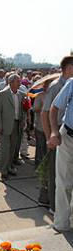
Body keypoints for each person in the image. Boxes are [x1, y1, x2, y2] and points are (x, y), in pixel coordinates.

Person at [42, 56, 73, 214]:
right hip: (61, 134)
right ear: (68, 68)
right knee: (57, 175)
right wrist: (50, 137)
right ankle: (53, 207)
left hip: (63, 131)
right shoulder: (56, 86)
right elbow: (45, 112)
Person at [49, 77, 73, 232]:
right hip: (68, 136)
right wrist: (53, 131)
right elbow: (54, 107)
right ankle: (61, 224)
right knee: (63, 182)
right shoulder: (72, 82)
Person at [0, 73, 26, 180]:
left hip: (17, 124)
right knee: (5, 149)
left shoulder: (22, 94)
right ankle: (3, 170)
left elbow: (24, 111)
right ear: (11, 82)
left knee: (13, 149)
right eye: (18, 81)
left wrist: (24, 121)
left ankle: (9, 167)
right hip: (5, 125)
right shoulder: (3, 94)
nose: (20, 83)